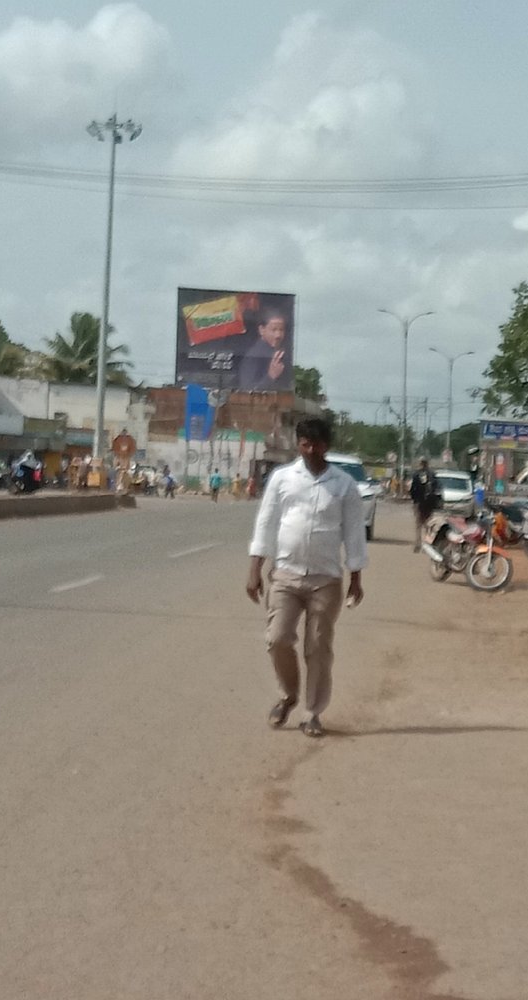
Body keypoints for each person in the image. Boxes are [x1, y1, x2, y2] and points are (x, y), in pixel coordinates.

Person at [246, 418, 366, 738]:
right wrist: (254, 568)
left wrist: (356, 577)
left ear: (328, 445)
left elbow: (354, 534)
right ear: (298, 444)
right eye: (306, 444)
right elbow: (266, 522)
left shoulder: (343, 485)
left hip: (326, 580)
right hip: (285, 574)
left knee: (318, 647)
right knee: (277, 638)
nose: (312, 450)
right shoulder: (283, 478)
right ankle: (289, 695)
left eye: (318, 444)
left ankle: (312, 712)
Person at [237, 306, 289, 390]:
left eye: (281, 330)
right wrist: (270, 376)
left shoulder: (281, 353)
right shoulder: (254, 356)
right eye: (274, 330)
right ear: (262, 330)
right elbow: (246, 389)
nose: (278, 335)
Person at [408, 459, 439, 552]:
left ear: (420, 464)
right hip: (429, 503)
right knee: (428, 523)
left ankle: (418, 544)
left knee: (418, 524)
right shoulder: (432, 474)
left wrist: (414, 499)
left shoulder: (416, 474)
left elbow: (413, 489)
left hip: (419, 502)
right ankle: (428, 544)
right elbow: (436, 488)